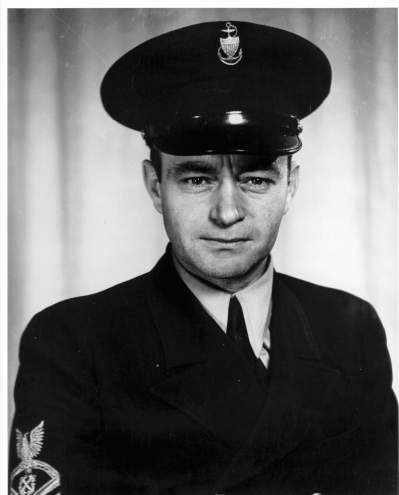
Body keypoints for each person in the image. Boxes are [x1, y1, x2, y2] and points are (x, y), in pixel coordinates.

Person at [9, 20, 397, 495]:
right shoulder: (73, 343)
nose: (227, 212)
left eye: (256, 179)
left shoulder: (349, 328)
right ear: (156, 186)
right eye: (197, 179)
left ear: (290, 185)